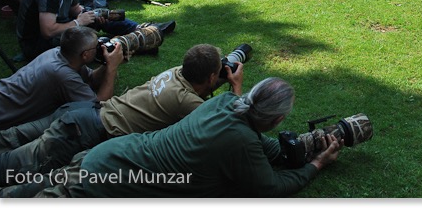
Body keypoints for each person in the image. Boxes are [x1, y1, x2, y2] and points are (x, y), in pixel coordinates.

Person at [35, 77, 342, 198]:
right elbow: (271, 187)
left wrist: (304, 144)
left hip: (109, 153)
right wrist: (316, 164)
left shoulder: (224, 103)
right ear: (277, 119)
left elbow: (271, 151)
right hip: (109, 185)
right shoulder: (241, 142)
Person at [0, 44, 244, 190]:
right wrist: (235, 88)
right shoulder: (186, 102)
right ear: (212, 78)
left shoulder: (176, 72)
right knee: (18, 170)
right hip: (83, 134)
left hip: (82, 112)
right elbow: (227, 122)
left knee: (9, 139)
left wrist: (214, 77)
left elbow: (198, 80)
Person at [0, 26, 124, 130]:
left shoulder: (61, 53)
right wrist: (112, 68)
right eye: (96, 46)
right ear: (85, 55)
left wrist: (107, 63)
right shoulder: (63, 75)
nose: (100, 48)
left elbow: (90, 78)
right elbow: (98, 107)